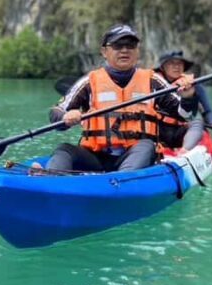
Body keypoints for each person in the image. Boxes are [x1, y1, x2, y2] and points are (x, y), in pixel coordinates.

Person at [39, 24, 195, 173]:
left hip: (136, 154)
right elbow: (56, 112)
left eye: (130, 45)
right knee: (64, 150)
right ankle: (48, 178)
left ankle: (122, 182)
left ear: (137, 51)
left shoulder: (153, 80)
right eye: (117, 46)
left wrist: (188, 97)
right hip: (96, 157)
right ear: (104, 51)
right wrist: (65, 117)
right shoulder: (89, 81)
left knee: (147, 146)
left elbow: (184, 115)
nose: (124, 50)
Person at [155, 50, 212, 152]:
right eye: (172, 63)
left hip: (183, 129)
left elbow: (207, 110)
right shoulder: (153, 83)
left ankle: (185, 151)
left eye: (180, 63)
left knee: (197, 121)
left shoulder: (194, 85)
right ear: (163, 67)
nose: (177, 66)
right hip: (159, 129)